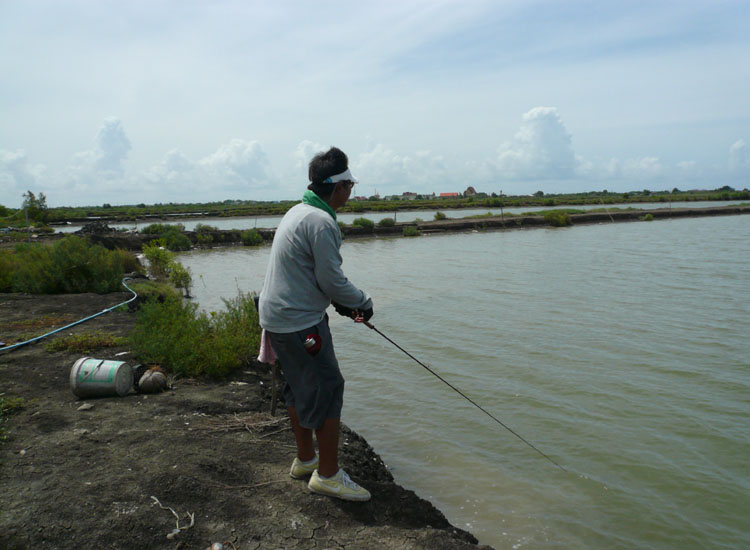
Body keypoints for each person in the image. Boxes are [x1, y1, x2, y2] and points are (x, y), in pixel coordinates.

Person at [258, 147, 373, 502]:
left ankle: (306, 460)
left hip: (278, 317)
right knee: (328, 387)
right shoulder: (322, 222)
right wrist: (361, 303)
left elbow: (311, 276)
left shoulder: (298, 211)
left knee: (297, 386)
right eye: (350, 185)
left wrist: (337, 302)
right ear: (338, 187)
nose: (351, 192)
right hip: (300, 324)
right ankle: (327, 475)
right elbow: (332, 280)